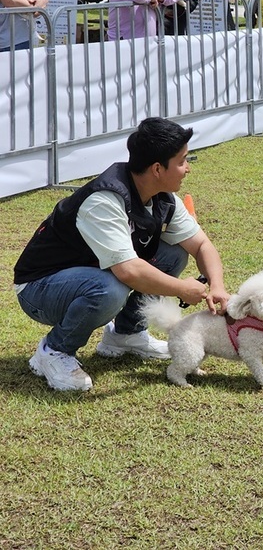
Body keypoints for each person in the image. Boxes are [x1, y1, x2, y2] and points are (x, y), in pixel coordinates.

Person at [14, 117, 229, 392]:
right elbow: (128, 272)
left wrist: (218, 286)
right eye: (182, 161)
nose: (187, 169)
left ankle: (126, 334)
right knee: (110, 288)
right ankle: (54, 351)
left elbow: (201, 245)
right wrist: (181, 289)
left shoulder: (163, 198)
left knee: (173, 254)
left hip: (91, 275)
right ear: (157, 169)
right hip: (39, 288)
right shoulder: (104, 200)